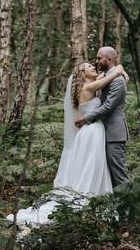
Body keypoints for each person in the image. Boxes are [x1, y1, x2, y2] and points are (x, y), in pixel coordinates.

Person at [7, 58, 128, 226]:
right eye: (88, 67)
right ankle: (90, 199)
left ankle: (97, 197)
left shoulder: (88, 85)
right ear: (82, 74)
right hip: (92, 132)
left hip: (89, 133)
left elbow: (116, 79)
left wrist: (119, 72)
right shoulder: (88, 87)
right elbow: (111, 76)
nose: (93, 66)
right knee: (92, 166)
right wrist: (119, 67)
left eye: (93, 65)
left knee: (94, 166)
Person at [75, 46, 130, 186]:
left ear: (109, 59)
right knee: (107, 174)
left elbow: (108, 106)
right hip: (102, 133)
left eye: (99, 58)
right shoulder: (105, 77)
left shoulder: (118, 80)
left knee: (118, 172)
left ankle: (130, 204)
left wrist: (86, 118)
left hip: (114, 133)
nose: (97, 61)